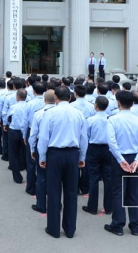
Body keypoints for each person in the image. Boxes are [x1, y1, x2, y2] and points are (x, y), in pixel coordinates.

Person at [37, 86, 88, 239]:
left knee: (53, 191)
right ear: (70, 97)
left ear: (56, 98)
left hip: (55, 153)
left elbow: (44, 137)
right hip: (73, 153)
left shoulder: (50, 113)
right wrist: (82, 158)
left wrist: (42, 157)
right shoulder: (78, 114)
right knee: (72, 192)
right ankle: (70, 229)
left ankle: (53, 229)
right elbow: (83, 138)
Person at [105, 91, 138, 237]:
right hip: (135, 157)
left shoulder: (113, 119)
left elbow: (112, 142)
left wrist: (121, 160)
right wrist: (137, 160)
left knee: (118, 192)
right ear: (132, 103)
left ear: (118, 103)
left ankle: (118, 224)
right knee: (134, 192)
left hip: (120, 158)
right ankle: (136, 225)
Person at [82, 96, 112, 216]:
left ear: (95, 106)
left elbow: (86, 136)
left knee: (94, 177)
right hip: (107, 148)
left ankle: (92, 207)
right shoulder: (111, 119)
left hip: (94, 148)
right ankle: (109, 207)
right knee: (108, 178)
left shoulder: (90, 120)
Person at [29, 90, 57, 214]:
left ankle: (41, 204)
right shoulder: (62, 113)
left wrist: (32, 148)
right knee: (57, 178)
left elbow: (34, 134)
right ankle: (57, 204)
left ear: (44, 99)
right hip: (58, 149)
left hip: (43, 145)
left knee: (41, 177)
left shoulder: (40, 113)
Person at [22, 81, 45, 195]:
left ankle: (31, 187)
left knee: (31, 161)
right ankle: (43, 188)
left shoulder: (29, 104)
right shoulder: (49, 103)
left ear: (34, 91)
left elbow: (25, 121)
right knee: (43, 161)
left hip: (32, 132)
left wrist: (24, 135)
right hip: (46, 133)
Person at [5, 89, 28, 184]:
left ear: (17, 97)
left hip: (14, 130)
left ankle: (17, 177)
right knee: (26, 153)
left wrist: (6, 124)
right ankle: (29, 175)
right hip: (25, 131)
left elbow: (7, 117)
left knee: (13, 153)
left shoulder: (13, 107)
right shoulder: (29, 106)